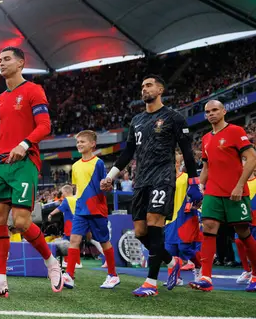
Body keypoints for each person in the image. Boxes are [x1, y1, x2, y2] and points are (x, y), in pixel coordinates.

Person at [100, 75, 202, 297]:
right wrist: (110, 176)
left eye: (149, 85)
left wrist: (194, 182)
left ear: (161, 89)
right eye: (142, 87)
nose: (144, 89)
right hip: (141, 180)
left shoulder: (173, 117)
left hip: (163, 178)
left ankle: (151, 283)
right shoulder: (136, 120)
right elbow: (128, 153)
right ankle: (172, 261)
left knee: (155, 224)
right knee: (140, 232)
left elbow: (187, 151)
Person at [0, 47, 62, 298]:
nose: (1, 63)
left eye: (7, 59)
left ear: (21, 63)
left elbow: (45, 126)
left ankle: (51, 262)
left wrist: (24, 144)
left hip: (24, 162)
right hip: (0, 165)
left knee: (22, 222)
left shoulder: (34, 90)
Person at [189, 100, 256, 292]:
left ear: (224, 111)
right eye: (208, 112)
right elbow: (207, 167)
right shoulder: (205, 138)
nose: (211, 114)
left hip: (235, 192)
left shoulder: (235, 131)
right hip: (213, 192)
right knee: (209, 228)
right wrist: (199, 186)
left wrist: (240, 185)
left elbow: (252, 158)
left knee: (243, 233)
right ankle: (206, 278)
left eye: (215, 110)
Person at [61, 131, 120, 289]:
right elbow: (78, 188)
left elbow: (104, 186)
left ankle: (113, 275)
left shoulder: (99, 163)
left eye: (83, 142)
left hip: (97, 209)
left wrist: (107, 187)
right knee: (74, 240)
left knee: (104, 241)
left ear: (93, 144)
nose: (79, 144)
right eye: (78, 142)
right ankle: (69, 275)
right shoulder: (75, 166)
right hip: (81, 211)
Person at [164, 151, 203, 285]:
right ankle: (176, 278)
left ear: (177, 163)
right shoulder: (164, 180)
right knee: (170, 249)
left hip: (185, 217)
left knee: (185, 248)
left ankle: (199, 266)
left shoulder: (187, 177)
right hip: (169, 219)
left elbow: (198, 194)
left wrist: (194, 204)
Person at [236, 170, 256, 284]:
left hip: (254, 218)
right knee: (238, 241)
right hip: (242, 217)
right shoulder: (239, 183)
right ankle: (246, 270)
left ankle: (254, 271)